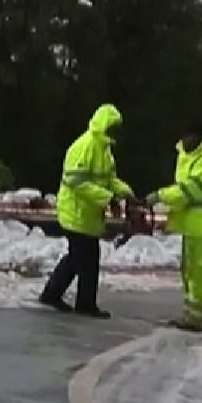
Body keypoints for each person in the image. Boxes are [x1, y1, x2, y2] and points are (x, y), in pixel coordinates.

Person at [39, 103, 136, 318]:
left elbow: (109, 180)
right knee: (87, 258)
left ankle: (52, 294)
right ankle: (84, 304)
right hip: (76, 212)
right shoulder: (84, 147)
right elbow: (76, 182)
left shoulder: (105, 151)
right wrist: (108, 198)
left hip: (88, 214)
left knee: (78, 258)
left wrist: (126, 192)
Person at [146, 122, 202, 332]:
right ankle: (190, 314)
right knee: (189, 271)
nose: (184, 142)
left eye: (188, 137)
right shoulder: (188, 156)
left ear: (198, 137)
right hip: (192, 226)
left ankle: (196, 318)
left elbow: (188, 192)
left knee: (198, 272)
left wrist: (160, 196)